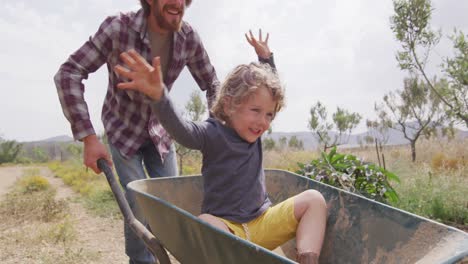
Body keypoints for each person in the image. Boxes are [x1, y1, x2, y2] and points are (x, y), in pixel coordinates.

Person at [114, 33, 328, 264]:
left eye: (269, 115)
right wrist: (159, 97)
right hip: (227, 232)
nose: (263, 122)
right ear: (229, 104)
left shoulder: (253, 134)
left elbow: (270, 92)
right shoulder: (211, 133)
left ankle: (308, 260)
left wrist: (267, 59)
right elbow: (182, 131)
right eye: (255, 111)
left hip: (263, 222)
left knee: (314, 199)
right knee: (205, 221)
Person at [54, 1, 220, 263]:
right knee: (138, 204)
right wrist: (88, 137)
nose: (177, 2)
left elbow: (212, 82)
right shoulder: (118, 29)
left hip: (161, 133)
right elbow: (69, 73)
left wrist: (216, 129)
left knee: (168, 205)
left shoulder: (188, 38)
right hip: (124, 130)